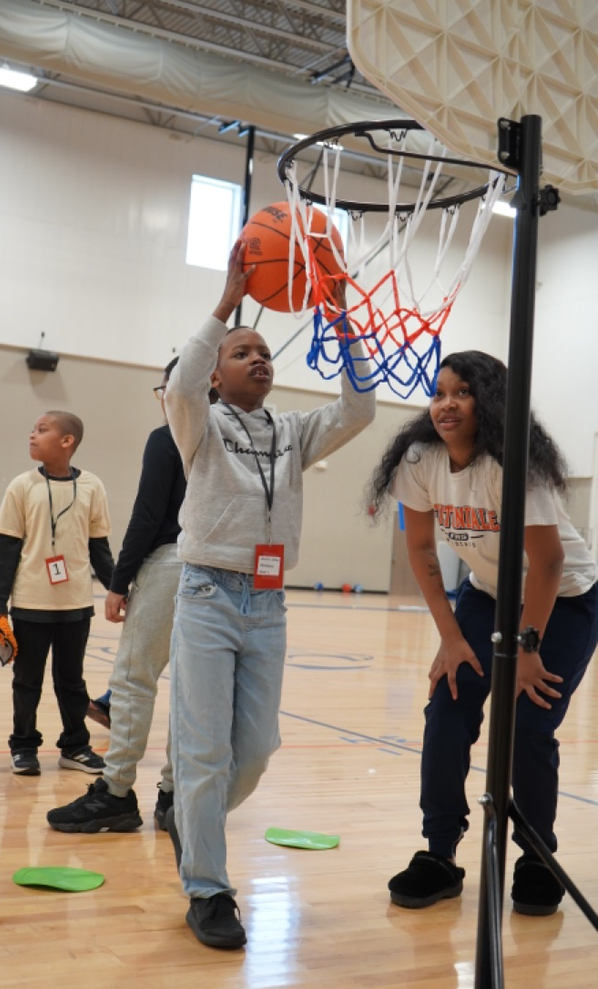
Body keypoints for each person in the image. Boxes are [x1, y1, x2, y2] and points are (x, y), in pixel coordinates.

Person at [163, 239, 377, 949]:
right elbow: (180, 386)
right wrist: (224, 303)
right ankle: (208, 887)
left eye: (263, 350)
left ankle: (192, 828)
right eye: (241, 351)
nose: (258, 357)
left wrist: (341, 314)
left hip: (267, 602)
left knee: (251, 750)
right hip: (205, 594)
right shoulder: (199, 425)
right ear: (218, 377)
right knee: (202, 752)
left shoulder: (291, 432)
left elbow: (358, 407)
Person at [368, 350, 598, 915]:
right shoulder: (421, 460)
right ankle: (440, 853)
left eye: (462, 392)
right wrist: (450, 638)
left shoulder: (513, 464)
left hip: (563, 600)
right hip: (488, 595)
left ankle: (536, 855)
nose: (447, 404)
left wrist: (527, 652)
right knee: (447, 708)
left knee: (527, 723)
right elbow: (420, 550)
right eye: (440, 392)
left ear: (488, 400)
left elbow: (546, 566)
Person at [46, 358, 187, 834]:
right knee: (194, 690)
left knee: (132, 681)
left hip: (171, 566)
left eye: (165, 387)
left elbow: (148, 517)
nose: (163, 396)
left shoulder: (169, 436)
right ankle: (174, 796)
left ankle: (117, 792)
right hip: (225, 574)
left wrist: (119, 581)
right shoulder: (234, 439)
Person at [0, 410, 115, 776]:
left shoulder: (92, 486)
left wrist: (118, 590)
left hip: (76, 605)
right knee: (27, 681)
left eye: (41, 430)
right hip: (30, 605)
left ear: (67, 441)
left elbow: (100, 549)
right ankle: (24, 746)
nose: (31, 435)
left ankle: (75, 746)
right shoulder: (21, 486)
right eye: (32, 429)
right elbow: (5, 551)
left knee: (71, 681)